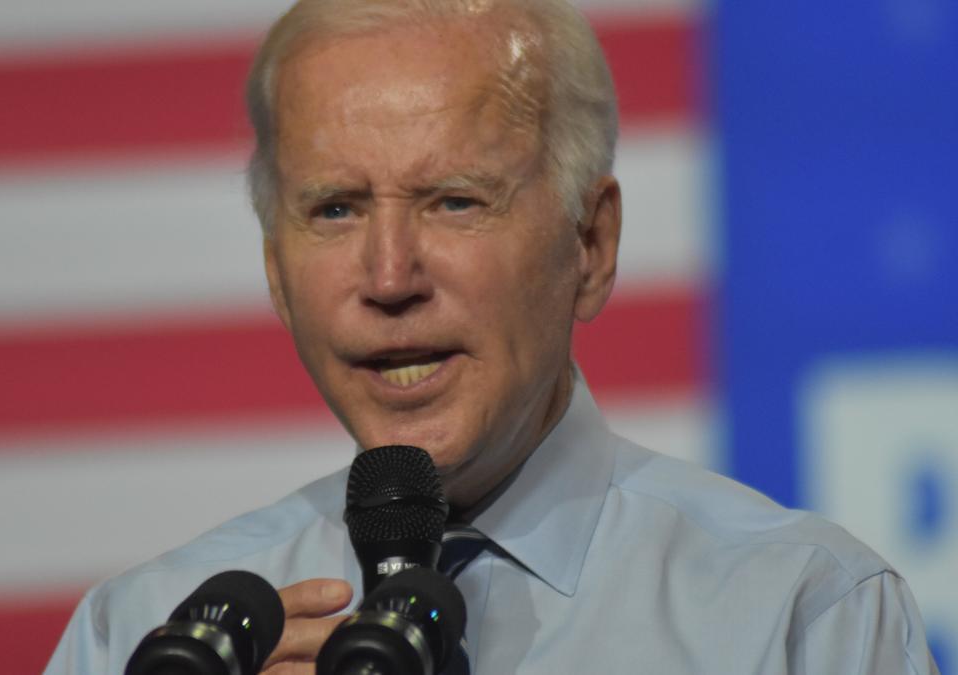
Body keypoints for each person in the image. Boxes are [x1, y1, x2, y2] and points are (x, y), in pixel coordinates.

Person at [45, 1, 939, 673]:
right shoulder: (139, 636)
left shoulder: (804, 617)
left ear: (590, 245)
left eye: (455, 201)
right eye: (335, 209)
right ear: (277, 273)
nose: (389, 277)